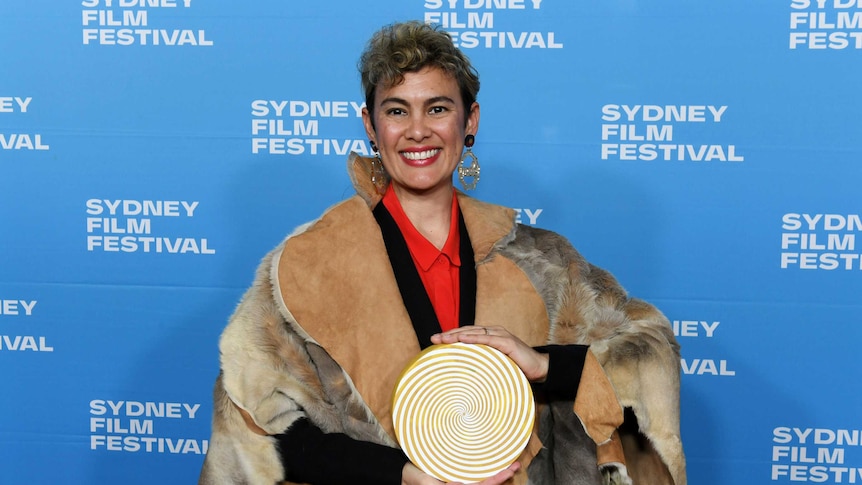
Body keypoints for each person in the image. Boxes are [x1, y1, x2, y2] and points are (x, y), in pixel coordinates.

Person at [199, 20, 685, 485]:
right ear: (370, 125)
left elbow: (648, 351)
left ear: (469, 120)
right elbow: (258, 429)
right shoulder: (305, 265)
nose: (417, 131)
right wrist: (398, 476)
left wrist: (543, 364)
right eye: (396, 110)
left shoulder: (543, 261)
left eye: (437, 108)